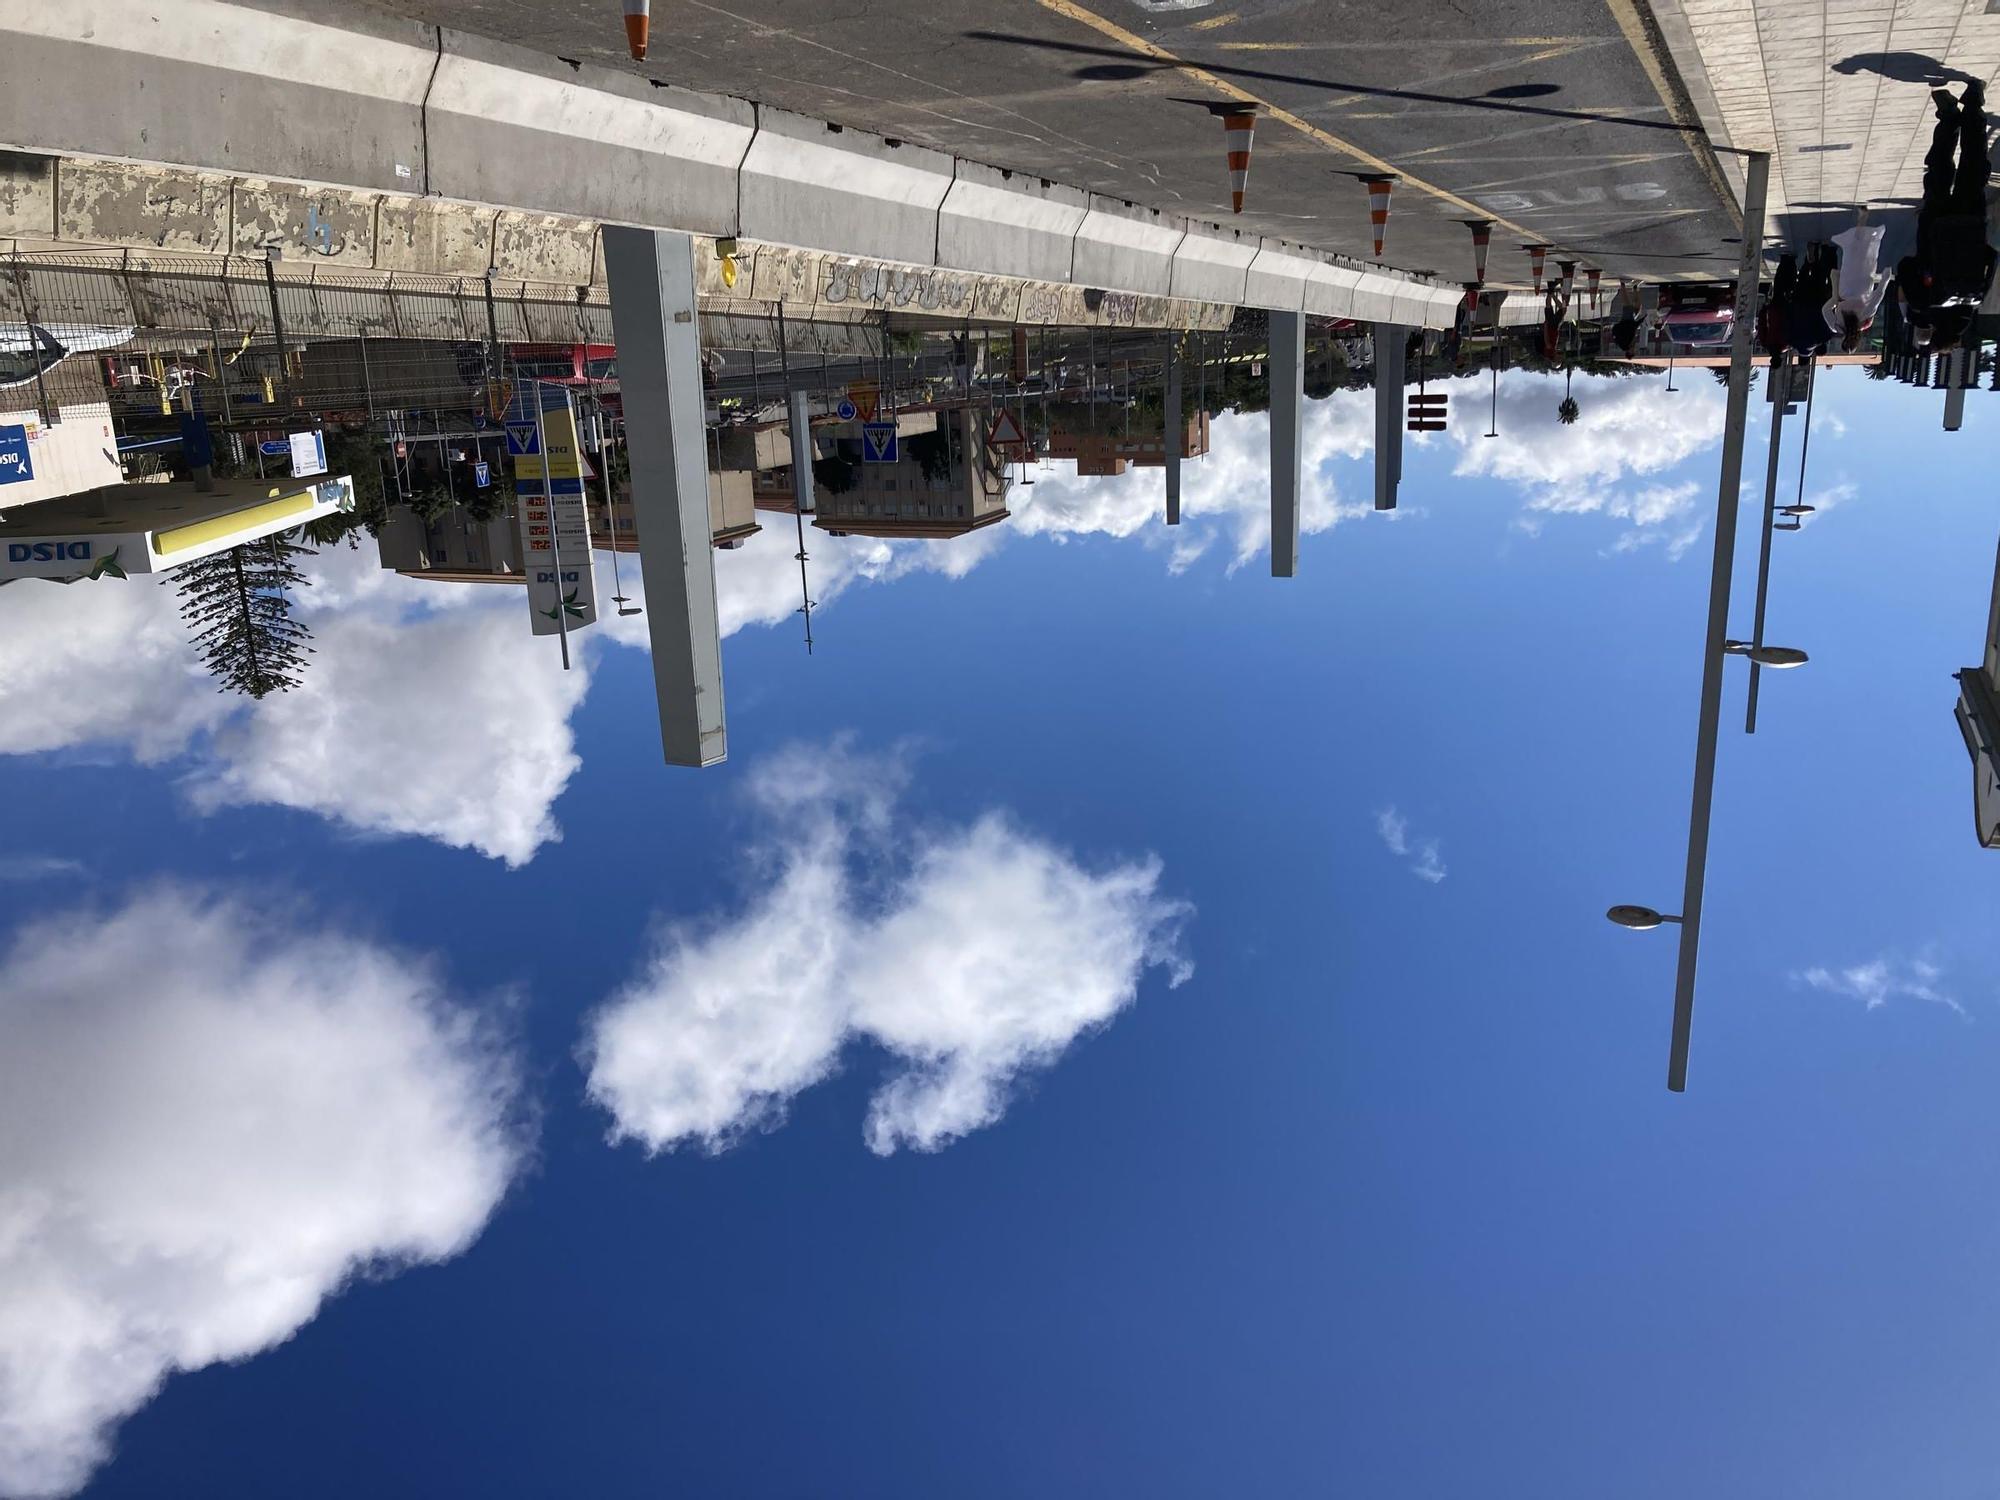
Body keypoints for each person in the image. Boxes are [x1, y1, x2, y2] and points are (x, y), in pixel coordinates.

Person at [1894, 81, 1997, 342]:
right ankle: (1949, 114)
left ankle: (1973, 99)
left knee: (1973, 162)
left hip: (1971, 221)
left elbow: (1992, 257)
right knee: (1940, 168)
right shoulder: (1922, 304)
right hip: (1934, 225)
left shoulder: (1973, 300)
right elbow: (1904, 266)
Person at [1830, 211, 1891, 350]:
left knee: (1866, 254)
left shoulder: (1864, 320)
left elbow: (1878, 296)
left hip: (1864, 285)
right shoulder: (1836, 325)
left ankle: (1865, 226)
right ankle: (1861, 221)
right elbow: (1825, 310)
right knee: (1852, 252)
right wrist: (1835, 299)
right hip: (1846, 287)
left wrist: (1885, 279)